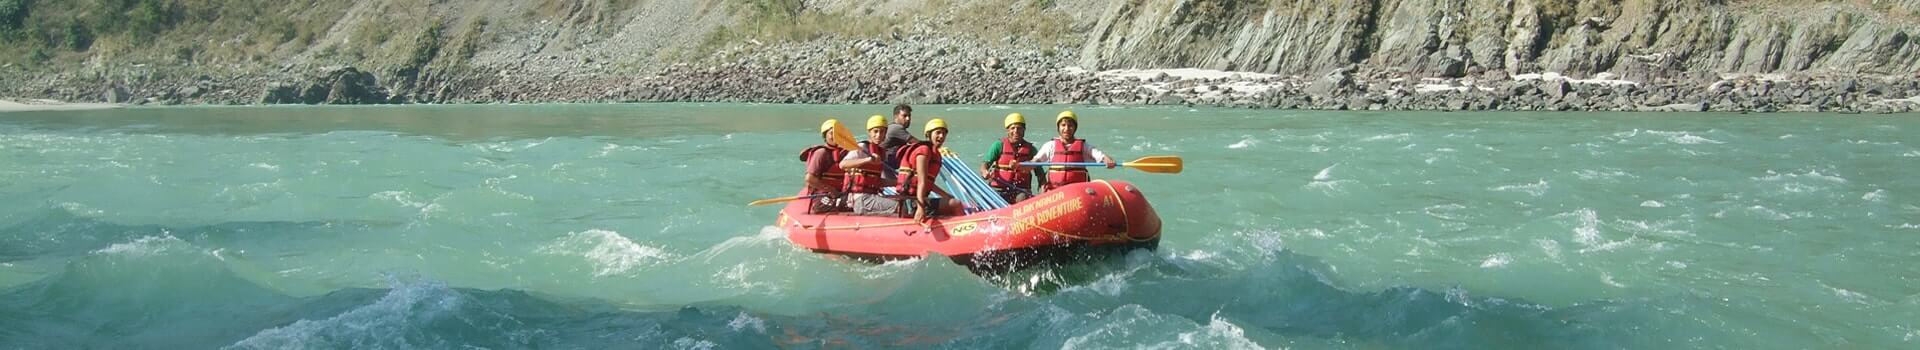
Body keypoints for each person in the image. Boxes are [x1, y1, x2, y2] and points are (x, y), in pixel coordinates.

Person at [1029, 111, 1117, 191]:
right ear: (1058, 127)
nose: (1066, 129)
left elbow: (1100, 155)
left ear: (1075, 128)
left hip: (1077, 192)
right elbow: (1036, 160)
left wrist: (1107, 160)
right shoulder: (1050, 146)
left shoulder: (1084, 146)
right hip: (1055, 193)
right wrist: (1028, 164)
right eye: (1063, 125)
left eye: (1070, 126)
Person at [895, 118, 957, 223]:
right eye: (938, 133)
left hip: (918, 198)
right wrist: (920, 207)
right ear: (928, 135)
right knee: (955, 204)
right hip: (910, 200)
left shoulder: (935, 154)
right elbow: (921, 181)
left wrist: (945, 195)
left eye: (944, 133)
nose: (941, 136)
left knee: (950, 201)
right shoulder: (923, 151)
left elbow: (928, 183)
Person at [839, 115, 899, 216]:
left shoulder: (880, 152)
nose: (878, 135)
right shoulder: (862, 148)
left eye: (882, 131)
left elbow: (877, 182)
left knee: (904, 201)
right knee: (899, 206)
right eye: (875, 131)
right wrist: (868, 160)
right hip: (860, 199)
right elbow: (843, 164)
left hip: (872, 196)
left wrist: (899, 182)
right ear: (869, 132)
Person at [980, 113, 1043, 203]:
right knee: (989, 200)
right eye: (1013, 128)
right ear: (1008, 130)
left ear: (1024, 130)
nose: (1016, 131)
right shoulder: (998, 145)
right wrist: (984, 171)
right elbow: (985, 164)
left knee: (1022, 199)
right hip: (998, 189)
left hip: (1020, 191)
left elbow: (1040, 174)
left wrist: (1042, 191)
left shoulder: (1031, 150)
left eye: (1019, 128)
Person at [800, 119, 849, 213]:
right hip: (821, 194)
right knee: (829, 206)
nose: (835, 136)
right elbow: (809, 178)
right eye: (831, 133)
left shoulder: (844, 153)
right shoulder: (821, 153)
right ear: (825, 136)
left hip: (839, 193)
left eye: (838, 134)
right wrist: (831, 190)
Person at [880, 104, 918, 170]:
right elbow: (918, 143)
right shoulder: (896, 128)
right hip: (884, 165)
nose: (908, 119)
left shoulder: (892, 126)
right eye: (904, 116)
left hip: (887, 164)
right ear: (896, 116)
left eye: (909, 116)